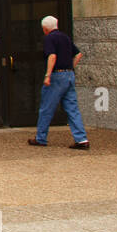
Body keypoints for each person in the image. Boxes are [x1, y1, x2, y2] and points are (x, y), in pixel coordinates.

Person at [28, 15, 89, 149]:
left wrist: (48, 75)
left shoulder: (49, 38)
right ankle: (81, 139)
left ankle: (41, 138)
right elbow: (78, 54)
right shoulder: (65, 37)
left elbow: (52, 56)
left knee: (46, 107)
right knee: (72, 108)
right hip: (69, 74)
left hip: (57, 75)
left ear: (45, 29)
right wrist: (71, 67)